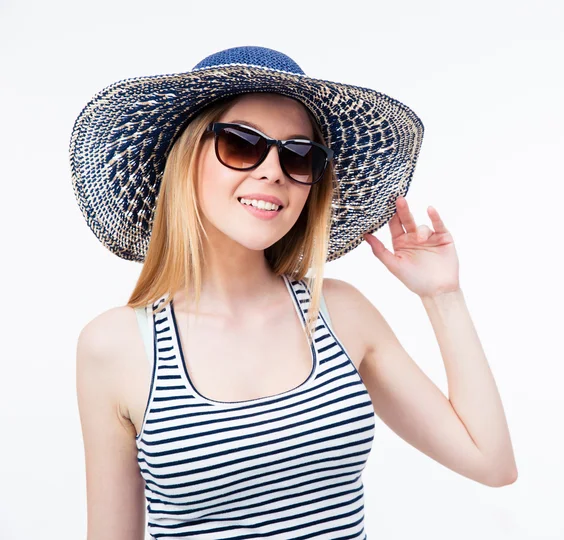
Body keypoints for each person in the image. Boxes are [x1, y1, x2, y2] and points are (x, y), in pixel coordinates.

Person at [72, 46, 517, 539]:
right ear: (186, 157)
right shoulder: (116, 347)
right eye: (241, 144)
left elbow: (490, 462)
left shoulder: (340, 314)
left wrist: (442, 295)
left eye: (299, 154)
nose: (273, 170)